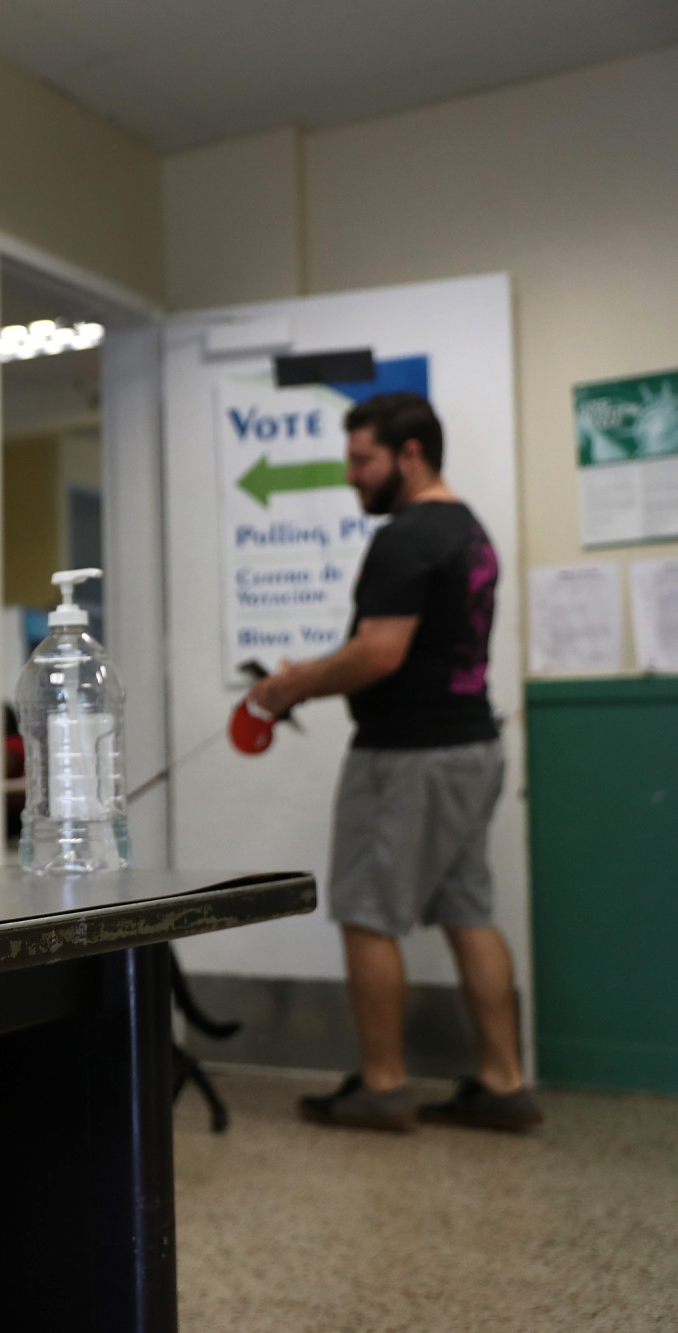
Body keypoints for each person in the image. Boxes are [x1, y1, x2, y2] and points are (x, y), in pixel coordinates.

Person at [245, 391, 541, 1134]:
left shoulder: (407, 536)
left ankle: (382, 1085)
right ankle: (505, 1084)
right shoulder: (469, 530)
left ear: (410, 455)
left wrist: (289, 684)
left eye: (361, 458)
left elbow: (380, 652)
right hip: (474, 744)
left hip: (408, 755)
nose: (351, 475)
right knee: (469, 910)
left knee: (367, 915)